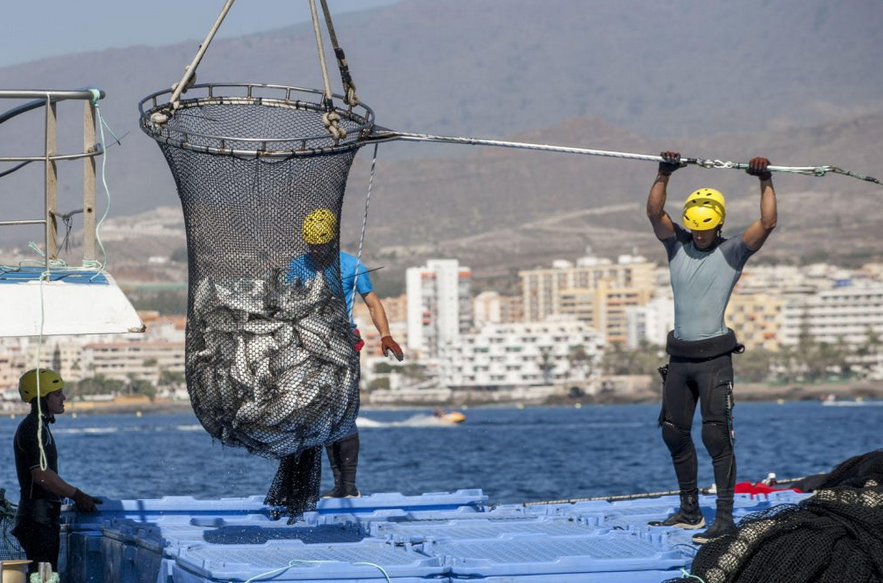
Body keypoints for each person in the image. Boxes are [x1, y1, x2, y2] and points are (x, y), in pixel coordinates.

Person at [646, 152, 777, 544]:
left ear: (718, 224)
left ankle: (724, 518)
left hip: (714, 361)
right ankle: (689, 512)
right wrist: (663, 173)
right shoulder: (675, 246)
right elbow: (654, 213)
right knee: (673, 433)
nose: (699, 236)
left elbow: (768, 222)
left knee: (717, 437)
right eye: (695, 229)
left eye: (706, 230)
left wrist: (765, 180)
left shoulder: (733, 251)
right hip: (680, 359)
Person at [287, 208, 404, 498]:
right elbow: (284, 304)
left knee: (344, 412)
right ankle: (331, 484)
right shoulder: (297, 267)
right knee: (319, 413)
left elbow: (373, 304)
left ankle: (347, 486)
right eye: (311, 244)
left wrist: (385, 335)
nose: (315, 250)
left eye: (321, 244)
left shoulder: (352, 265)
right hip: (308, 347)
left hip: (343, 345)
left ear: (333, 240)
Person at [12, 368, 101, 574]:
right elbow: (42, 475)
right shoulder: (33, 428)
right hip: (37, 520)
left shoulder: (40, 426)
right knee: (43, 576)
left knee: (44, 574)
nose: (64, 397)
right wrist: (78, 495)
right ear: (43, 398)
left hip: (42, 519)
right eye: (57, 393)